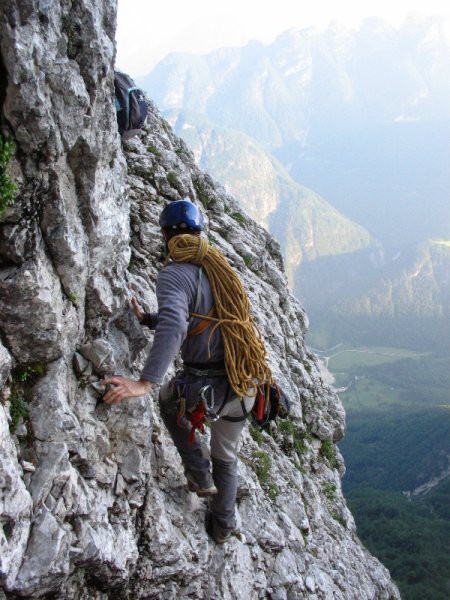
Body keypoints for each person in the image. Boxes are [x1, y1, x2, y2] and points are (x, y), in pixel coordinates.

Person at [102, 198, 271, 543]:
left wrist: (145, 382)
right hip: (245, 385)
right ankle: (223, 526)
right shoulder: (220, 269)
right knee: (226, 454)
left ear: (165, 234)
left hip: (206, 386)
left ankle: (199, 476)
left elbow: (178, 324)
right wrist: (151, 319)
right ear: (199, 231)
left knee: (167, 399)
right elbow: (204, 318)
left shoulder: (174, 274)